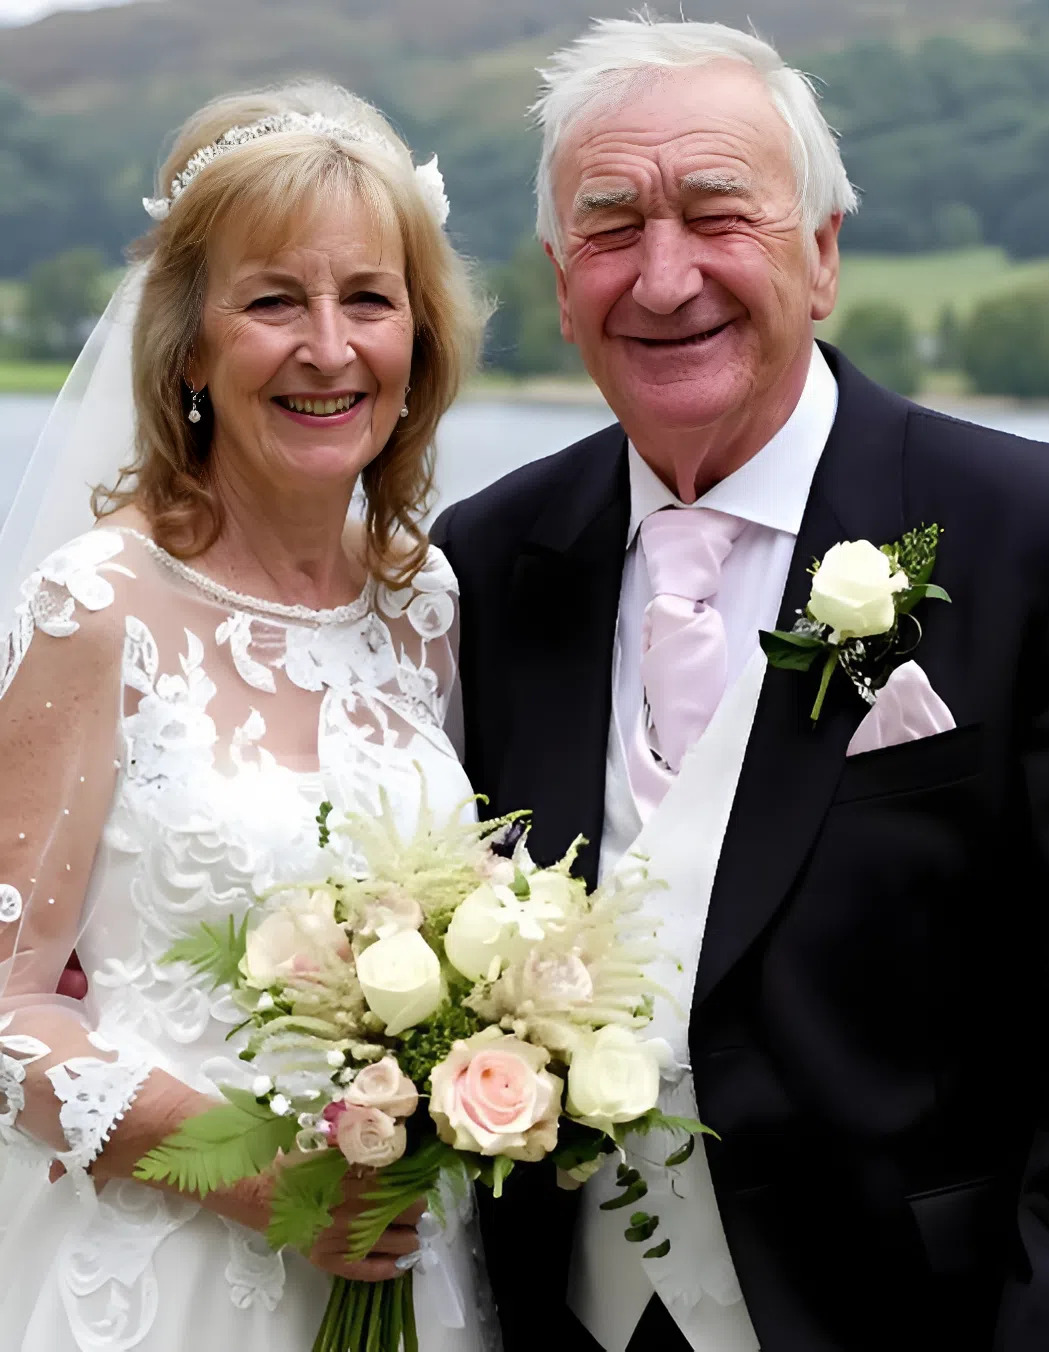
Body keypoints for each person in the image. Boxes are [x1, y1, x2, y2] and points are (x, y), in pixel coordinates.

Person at [433, 17, 1049, 1352]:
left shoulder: (1031, 534)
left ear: (821, 254)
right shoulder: (481, 562)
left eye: (717, 214)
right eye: (611, 228)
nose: (664, 279)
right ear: (561, 284)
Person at [0, 81, 498, 1350]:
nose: (328, 349)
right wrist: (251, 1177)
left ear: (419, 337)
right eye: (274, 301)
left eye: (369, 299)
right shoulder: (95, 606)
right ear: (188, 346)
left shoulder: (423, 602)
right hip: (168, 1274)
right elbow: (5, 1010)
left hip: (413, 1268)